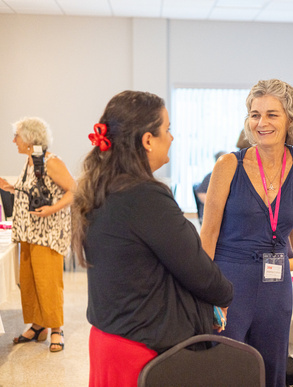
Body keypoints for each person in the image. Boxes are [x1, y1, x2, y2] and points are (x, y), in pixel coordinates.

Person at [71, 90, 233, 386]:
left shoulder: (99, 187)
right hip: (142, 349)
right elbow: (196, 268)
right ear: (148, 140)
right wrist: (226, 295)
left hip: (110, 338)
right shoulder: (146, 196)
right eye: (167, 130)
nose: (171, 137)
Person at [200, 79, 293, 387]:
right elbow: (207, 234)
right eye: (254, 114)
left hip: (277, 286)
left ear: (290, 118)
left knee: (273, 368)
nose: (261, 123)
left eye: (272, 114)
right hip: (229, 280)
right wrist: (204, 291)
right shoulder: (229, 165)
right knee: (229, 367)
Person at [0, 117, 75, 353]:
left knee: (48, 282)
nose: (14, 141)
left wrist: (52, 209)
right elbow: (33, 190)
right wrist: (8, 188)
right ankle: (39, 325)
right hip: (28, 232)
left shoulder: (51, 162)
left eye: (16, 136)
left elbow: (74, 191)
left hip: (47, 233)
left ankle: (56, 328)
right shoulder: (31, 161)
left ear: (29, 139)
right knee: (29, 282)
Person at [195, 151, 227, 224]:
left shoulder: (232, 176)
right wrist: (216, 204)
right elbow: (201, 194)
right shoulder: (211, 176)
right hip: (211, 214)